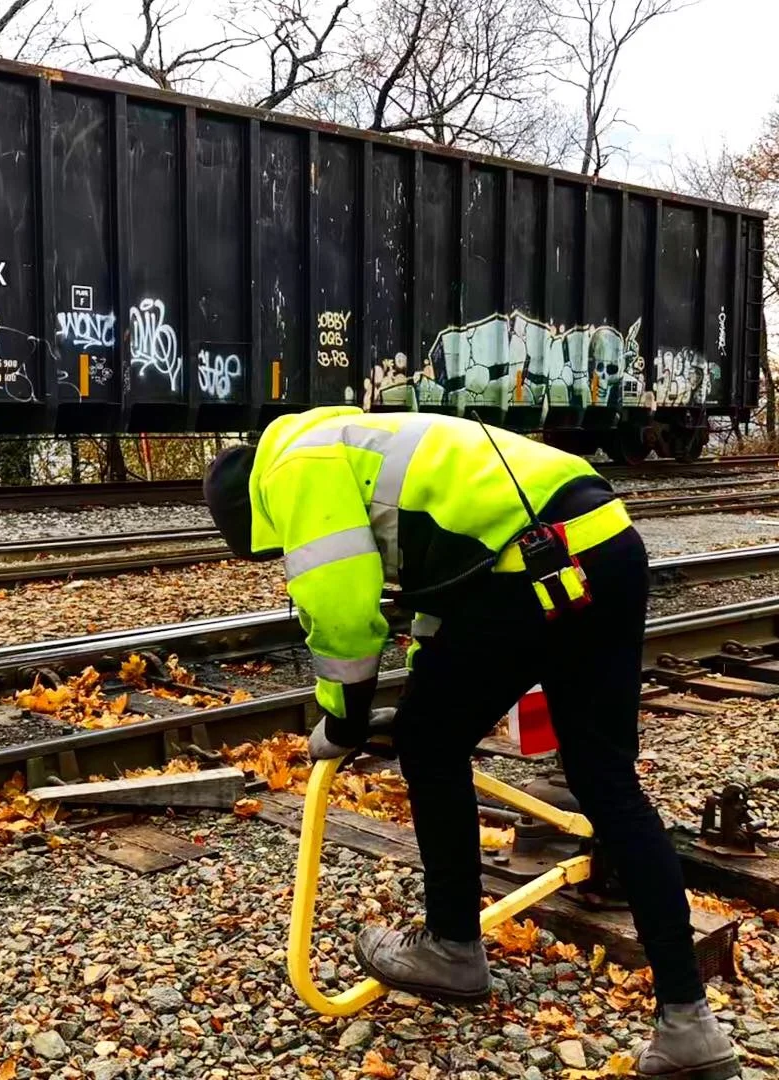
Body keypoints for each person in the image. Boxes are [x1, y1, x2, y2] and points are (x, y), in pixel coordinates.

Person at [203, 405, 739, 1080]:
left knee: (429, 745)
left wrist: (343, 720)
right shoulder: (355, 438)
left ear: (250, 514)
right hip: (603, 543)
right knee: (605, 779)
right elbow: (448, 572)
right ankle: (690, 1024)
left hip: (533, 569)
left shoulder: (293, 469)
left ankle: (453, 947)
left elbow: (340, 609)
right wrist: (426, 677)